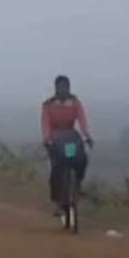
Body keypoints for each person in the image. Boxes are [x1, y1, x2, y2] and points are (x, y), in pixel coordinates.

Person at [40, 75, 93, 215]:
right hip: (55, 139)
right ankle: (57, 202)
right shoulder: (49, 105)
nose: (63, 90)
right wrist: (47, 139)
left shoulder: (75, 102)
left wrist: (86, 135)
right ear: (56, 88)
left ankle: (77, 184)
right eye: (60, 87)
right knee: (57, 168)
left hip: (70, 137)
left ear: (69, 88)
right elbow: (45, 123)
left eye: (65, 87)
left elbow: (82, 119)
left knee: (80, 159)